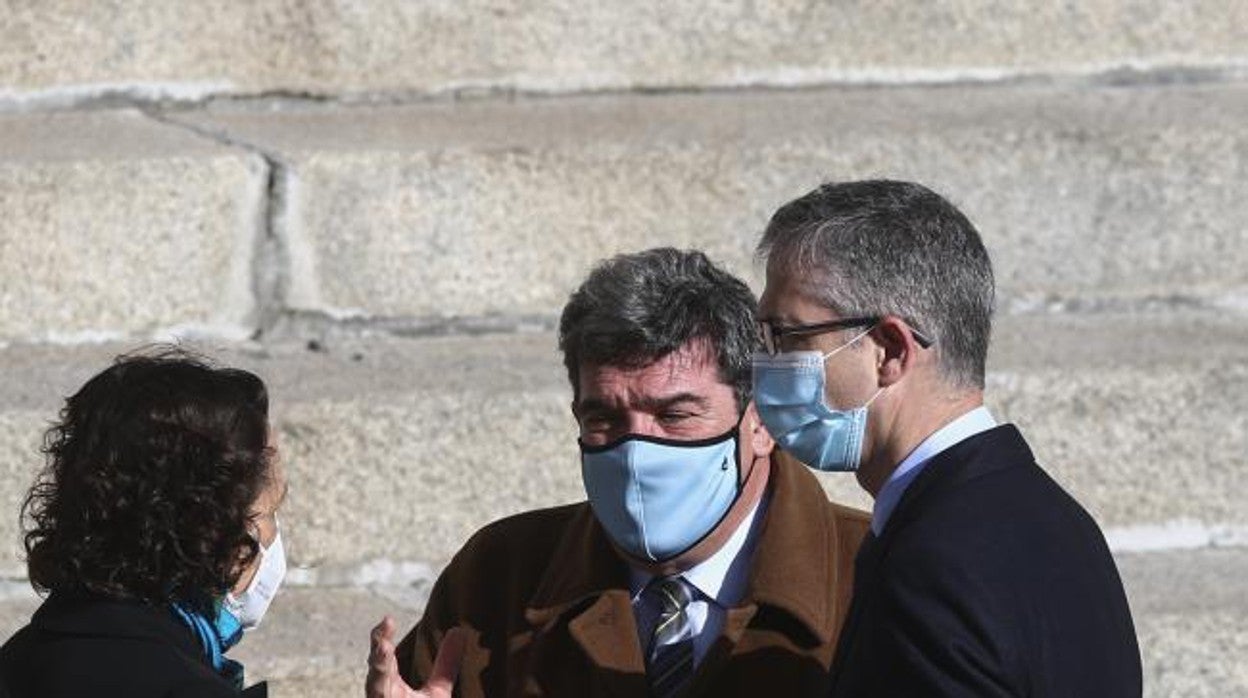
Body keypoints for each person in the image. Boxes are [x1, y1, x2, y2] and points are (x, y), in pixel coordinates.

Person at [367, 248, 871, 697]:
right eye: (603, 419)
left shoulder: (872, 577)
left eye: (675, 416)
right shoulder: (499, 575)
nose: (637, 451)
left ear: (760, 420)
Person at [751, 179, 1142, 696]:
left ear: (888, 351)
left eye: (786, 336)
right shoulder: (1050, 517)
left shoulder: (933, 566)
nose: (765, 361)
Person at [0, 349, 288, 697]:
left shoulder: (24, 655)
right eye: (268, 514)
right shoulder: (184, 687)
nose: (272, 539)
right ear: (214, 532)